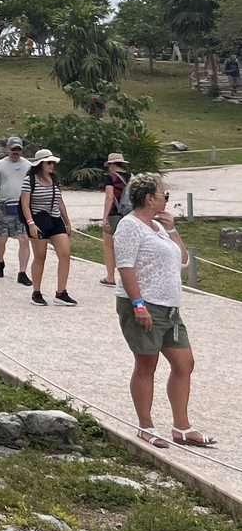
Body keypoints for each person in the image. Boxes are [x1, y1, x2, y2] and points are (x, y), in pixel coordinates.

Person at [114, 172, 215, 449]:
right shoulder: (130, 225)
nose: (166, 199)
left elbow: (182, 260)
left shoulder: (158, 227)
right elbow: (125, 266)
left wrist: (172, 231)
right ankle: (145, 425)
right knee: (147, 364)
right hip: (144, 305)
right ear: (149, 199)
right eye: (163, 195)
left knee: (185, 364)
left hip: (171, 308)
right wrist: (138, 305)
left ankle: (181, 427)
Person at [19, 148, 76, 307]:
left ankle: (61, 292)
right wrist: (31, 223)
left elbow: (60, 201)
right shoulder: (29, 180)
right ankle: (36, 292)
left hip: (55, 219)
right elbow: (25, 203)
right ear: (40, 164)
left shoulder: (54, 180)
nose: (52, 166)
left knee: (65, 254)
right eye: (49, 163)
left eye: (53, 163)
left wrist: (67, 221)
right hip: (38, 219)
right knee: (40, 256)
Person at [0, 134, 33, 285]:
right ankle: (0, 261)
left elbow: (33, 185)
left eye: (18, 149)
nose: (16, 152)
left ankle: (22, 272)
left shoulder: (28, 166)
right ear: (7, 149)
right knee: (2, 238)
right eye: (13, 149)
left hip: (22, 206)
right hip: (5, 206)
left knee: (24, 239)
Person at [99, 151, 132, 286]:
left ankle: (110, 276)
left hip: (115, 213)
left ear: (111, 165)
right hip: (129, 214)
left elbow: (109, 197)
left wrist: (104, 216)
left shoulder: (111, 178)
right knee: (128, 246)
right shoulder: (131, 177)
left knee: (109, 245)